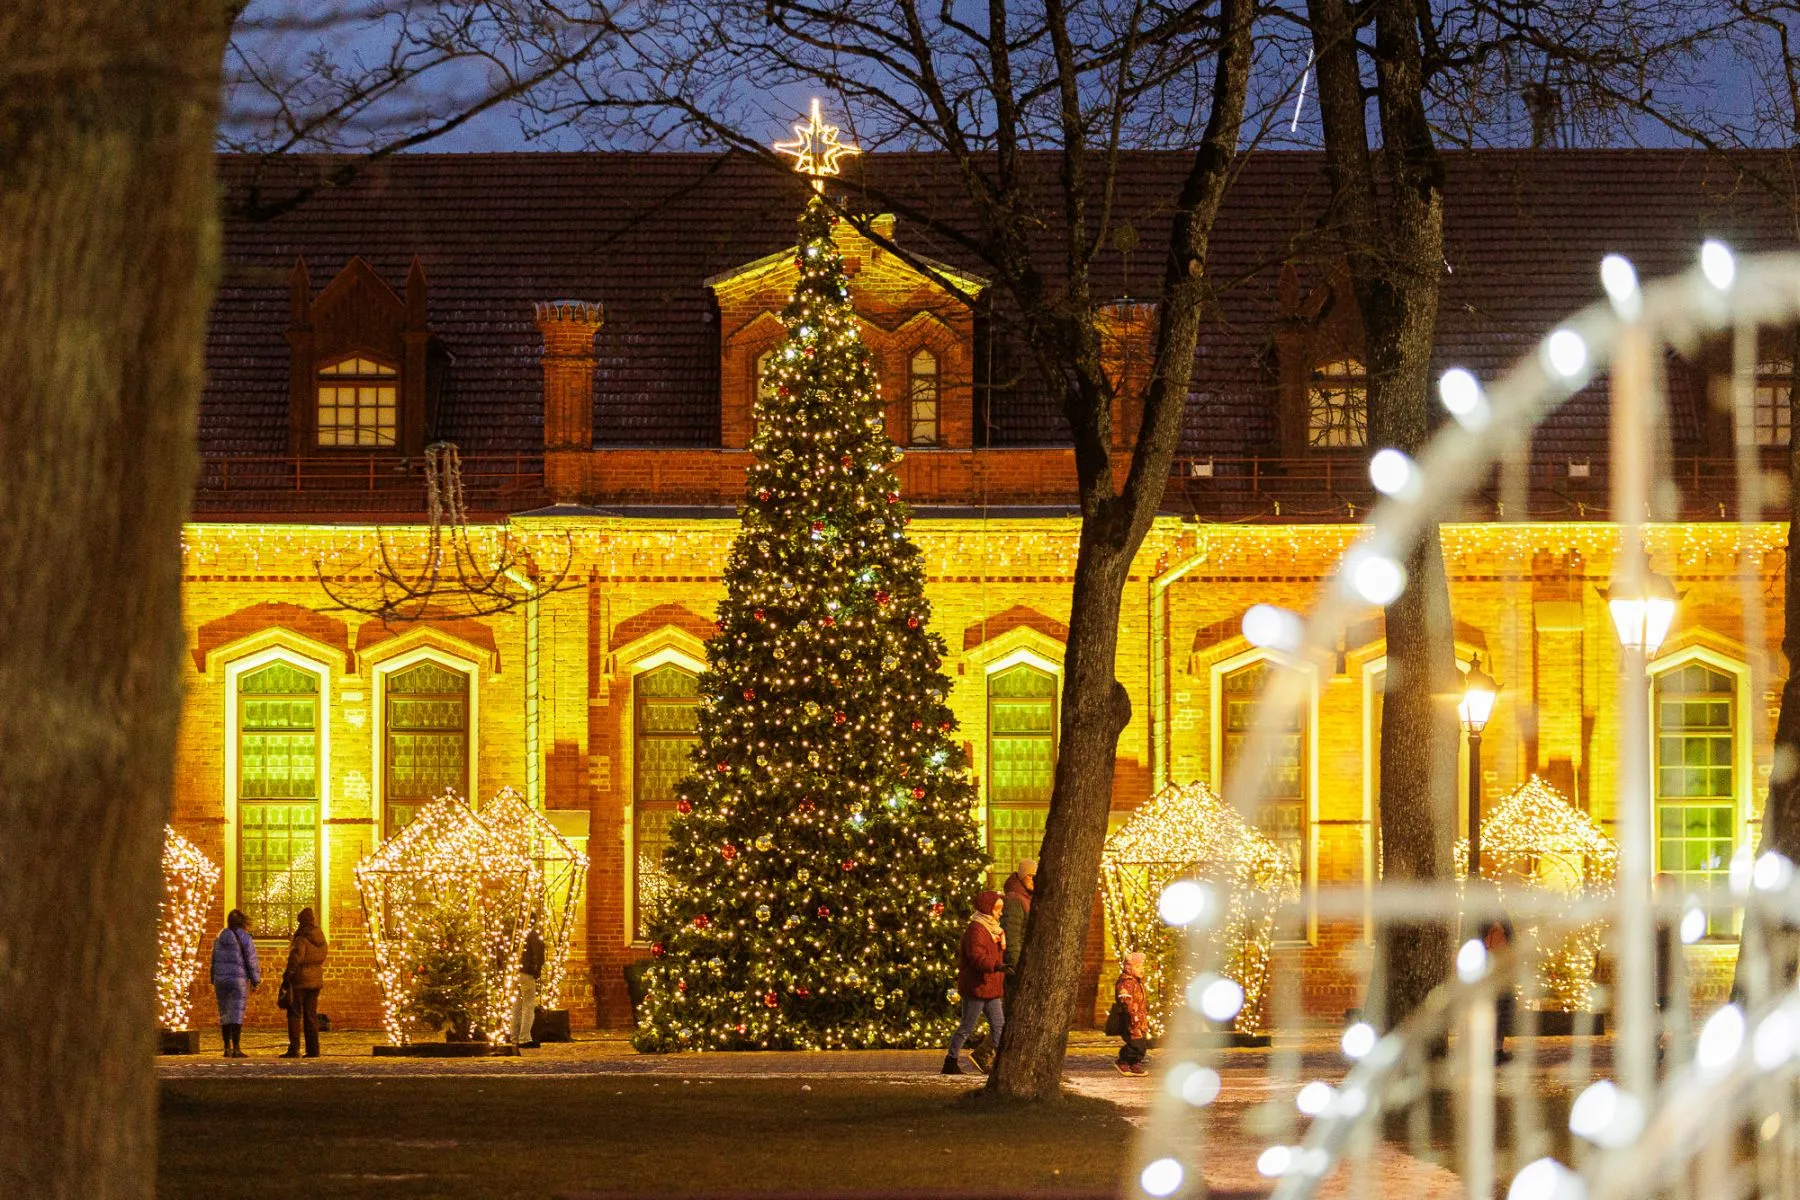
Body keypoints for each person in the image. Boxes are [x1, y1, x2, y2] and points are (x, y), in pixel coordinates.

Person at [942, 890, 1005, 1076]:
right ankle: (951, 1060)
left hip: (991, 986)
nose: (1000, 913)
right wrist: (997, 966)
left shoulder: (994, 929)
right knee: (967, 1026)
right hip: (976, 986)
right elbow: (976, 957)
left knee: (999, 1025)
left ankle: (999, 1061)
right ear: (988, 909)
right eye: (997, 909)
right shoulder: (976, 929)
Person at [209, 909, 261, 1058]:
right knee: (236, 1012)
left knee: (224, 1012)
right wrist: (256, 980)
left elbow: (213, 960)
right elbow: (251, 961)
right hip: (238, 980)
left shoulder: (219, 937)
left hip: (221, 981)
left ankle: (226, 1047)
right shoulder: (244, 938)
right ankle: (237, 1048)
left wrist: (213, 978)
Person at [280, 907, 328, 1059]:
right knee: (311, 1015)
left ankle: (294, 1049)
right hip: (315, 980)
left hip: (300, 980)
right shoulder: (321, 938)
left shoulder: (301, 938)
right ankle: (313, 1049)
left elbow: (295, 959)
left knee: (294, 1014)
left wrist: (287, 977)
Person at [1115, 951, 1151, 1076]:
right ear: (1129, 968)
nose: (1141, 969)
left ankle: (1134, 1063)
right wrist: (1131, 1013)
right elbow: (1125, 999)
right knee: (1137, 1044)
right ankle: (1123, 1061)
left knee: (1141, 1043)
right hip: (1130, 1018)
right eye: (1138, 967)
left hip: (1139, 1019)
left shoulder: (1138, 982)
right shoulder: (1127, 982)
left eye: (1142, 967)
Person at [514, 919, 546, 1048]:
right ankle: (524, 1038)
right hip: (526, 972)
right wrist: (537, 969)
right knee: (528, 1005)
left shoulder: (516, 935)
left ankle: (514, 1037)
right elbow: (539, 953)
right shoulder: (532, 934)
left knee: (516, 1006)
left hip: (514, 972)